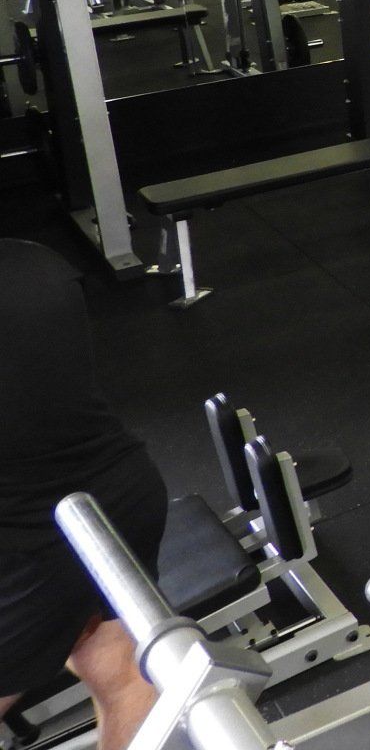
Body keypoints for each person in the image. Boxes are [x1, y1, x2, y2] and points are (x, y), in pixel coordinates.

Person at [0, 243, 165, 750]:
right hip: (121, 493)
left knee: (119, 667)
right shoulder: (39, 263)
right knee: (119, 666)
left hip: (33, 541)